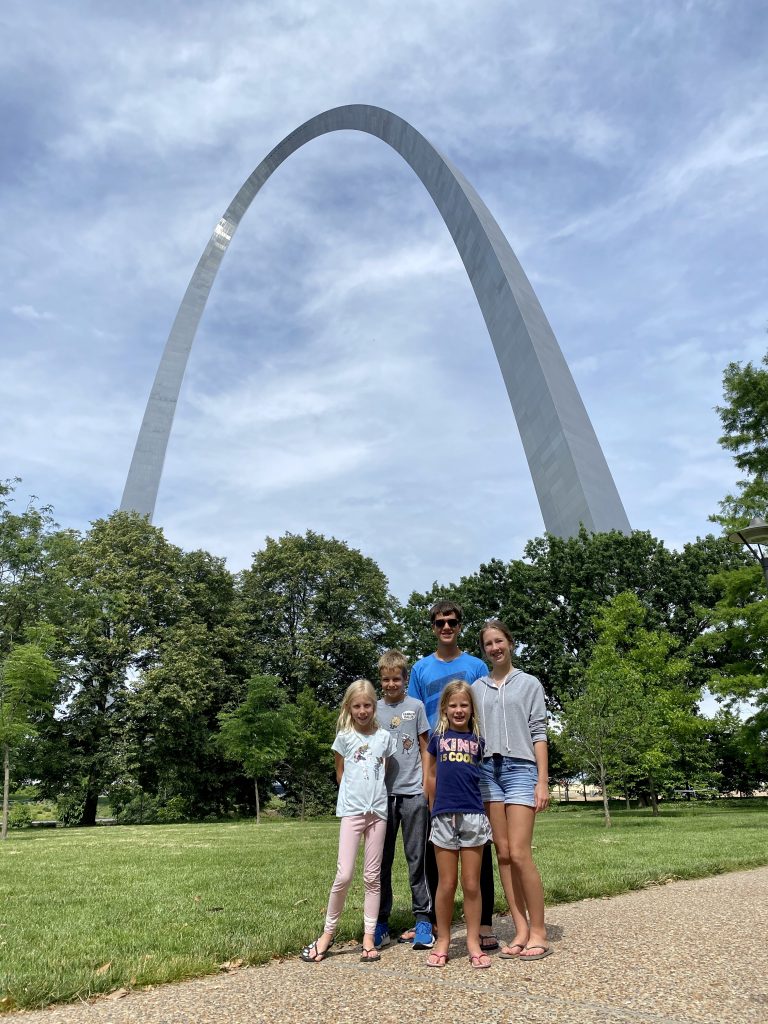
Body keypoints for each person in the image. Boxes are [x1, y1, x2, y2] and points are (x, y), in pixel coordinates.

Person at [408, 600, 497, 951]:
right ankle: (429, 924)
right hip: (435, 760)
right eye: (440, 622)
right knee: (436, 851)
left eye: (452, 622)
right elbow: (416, 717)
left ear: (460, 625)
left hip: (472, 762)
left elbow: (483, 710)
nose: (446, 627)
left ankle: (485, 923)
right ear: (432, 626)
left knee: (479, 850)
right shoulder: (420, 669)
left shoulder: (475, 666)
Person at [300, 679, 396, 964]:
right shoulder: (344, 737)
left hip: (377, 812)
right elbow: (340, 773)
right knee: (343, 875)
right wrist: (354, 797)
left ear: (374, 706)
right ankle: (327, 935)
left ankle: (368, 937)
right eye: (357, 706)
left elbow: (383, 771)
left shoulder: (384, 738)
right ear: (349, 707)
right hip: (352, 812)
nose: (363, 711)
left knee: (372, 877)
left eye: (367, 705)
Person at [473, 619, 552, 961]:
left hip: (520, 769)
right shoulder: (476, 688)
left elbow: (539, 732)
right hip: (487, 772)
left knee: (520, 853)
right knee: (502, 853)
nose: (495, 648)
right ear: (485, 650)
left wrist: (542, 779)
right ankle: (520, 928)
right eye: (489, 644)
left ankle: (540, 931)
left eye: (499, 641)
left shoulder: (529, 683)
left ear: (510, 643)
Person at [424, 679, 493, 968]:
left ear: (471, 708)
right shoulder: (436, 740)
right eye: (453, 705)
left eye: (464, 704)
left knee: (471, 884)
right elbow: (429, 776)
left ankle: (473, 941)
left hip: (473, 816)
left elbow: (486, 781)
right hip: (443, 816)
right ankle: (443, 940)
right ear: (444, 708)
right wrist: (433, 808)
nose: (459, 709)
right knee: (446, 883)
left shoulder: (478, 741)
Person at [374, 649, 431, 950]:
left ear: (405, 679)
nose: (391, 684)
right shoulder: (374, 710)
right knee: (381, 861)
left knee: (416, 860)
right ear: (380, 681)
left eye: (396, 679)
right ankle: (380, 922)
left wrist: (426, 785)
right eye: (386, 679)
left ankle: (423, 919)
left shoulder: (416, 706)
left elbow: (425, 748)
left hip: (413, 794)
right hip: (381, 797)